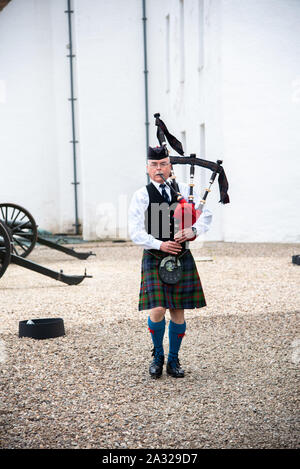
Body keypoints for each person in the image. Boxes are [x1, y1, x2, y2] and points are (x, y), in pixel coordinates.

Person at [128, 146, 212, 379]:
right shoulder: (142, 195)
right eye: (154, 165)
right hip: (155, 256)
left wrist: (192, 230)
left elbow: (206, 215)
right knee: (157, 308)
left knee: (177, 310)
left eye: (163, 164)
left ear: (170, 166)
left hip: (181, 256)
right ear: (147, 168)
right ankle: (158, 355)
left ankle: (174, 360)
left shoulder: (185, 190)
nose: (159, 169)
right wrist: (159, 244)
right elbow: (135, 232)